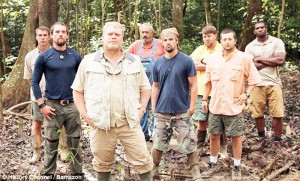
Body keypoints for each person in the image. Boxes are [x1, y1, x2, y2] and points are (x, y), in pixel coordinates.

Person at [72, 21, 153, 180]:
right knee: (102, 164)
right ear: (103, 37)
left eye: (117, 35)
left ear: (123, 38)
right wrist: (85, 115)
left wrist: (142, 110)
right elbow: (77, 90)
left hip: (129, 123)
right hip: (100, 124)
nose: (114, 37)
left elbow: (146, 88)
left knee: (143, 161)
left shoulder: (134, 61)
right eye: (110, 34)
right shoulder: (89, 61)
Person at [202, 29, 261, 180]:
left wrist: (246, 94)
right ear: (220, 41)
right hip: (215, 105)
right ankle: (213, 163)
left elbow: (254, 79)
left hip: (234, 106)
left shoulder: (244, 58)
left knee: (236, 137)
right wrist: (204, 100)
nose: (227, 42)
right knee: (214, 135)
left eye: (230, 39)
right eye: (224, 39)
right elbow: (207, 82)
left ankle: (236, 166)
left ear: (235, 41)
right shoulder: (213, 59)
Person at [32, 22, 83, 179]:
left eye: (63, 32)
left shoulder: (75, 56)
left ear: (67, 35)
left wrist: (83, 104)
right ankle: (48, 174)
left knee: (74, 141)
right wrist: (42, 105)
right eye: (57, 32)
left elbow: (83, 80)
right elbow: (34, 82)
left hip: (72, 105)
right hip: (52, 106)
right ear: (52, 35)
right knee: (51, 141)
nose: (60, 34)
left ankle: (77, 173)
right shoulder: (44, 57)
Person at [151, 27, 201, 180]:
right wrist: (154, 107)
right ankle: (154, 171)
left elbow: (193, 85)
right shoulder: (157, 63)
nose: (167, 42)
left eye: (170, 39)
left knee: (190, 143)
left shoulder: (186, 60)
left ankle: (195, 172)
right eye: (165, 40)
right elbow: (155, 86)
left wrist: (192, 107)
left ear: (177, 40)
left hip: (181, 111)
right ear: (162, 42)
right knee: (158, 144)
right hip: (162, 111)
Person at [24, 26, 70, 164]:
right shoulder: (30, 56)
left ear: (49, 36)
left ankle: (63, 149)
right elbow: (30, 79)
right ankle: (36, 150)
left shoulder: (58, 52)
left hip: (56, 96)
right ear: (36, 37)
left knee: (61, 124)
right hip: (38, 97)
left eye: (45, 35)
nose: (42, 38)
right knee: (37, 123)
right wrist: (37, 96)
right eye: (40, 35)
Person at [245, 21, 286, 148]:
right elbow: (250, 66)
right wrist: (271, 61)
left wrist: (259, 59)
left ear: (266, 29)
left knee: (278, 113)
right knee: (258, 113)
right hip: (256, 84)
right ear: (254, 31)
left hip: (274, 83)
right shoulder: (250, 46)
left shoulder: (276, 42)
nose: (260, 29)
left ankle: (277, 140)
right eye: (257, 28)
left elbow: (281, 60)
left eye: (262, 27)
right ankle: (261, 138)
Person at [190, 25, 228, 157]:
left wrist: (202, 64)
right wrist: (207, 64)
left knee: (219, 121)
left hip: (218, 91)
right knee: (201, 120)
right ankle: (198, 148)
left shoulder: (222, 48)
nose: (206, 39)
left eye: (209, 36)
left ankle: (222, 149)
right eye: (204, 36)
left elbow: (222, 65)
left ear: (215, 35)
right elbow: (190, 64)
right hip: (201, 91)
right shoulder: (200, 49)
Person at [128, 22, 165, 141]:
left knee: (156, 108)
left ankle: (155, 133)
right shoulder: (135, 46)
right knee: (141, 109)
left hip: (157, 83)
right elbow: (125, 60)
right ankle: (143, 134)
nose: (144, 35)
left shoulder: (160, 44)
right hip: (139, 84)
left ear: (152, 33)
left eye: (147, 32)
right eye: (142, 32)